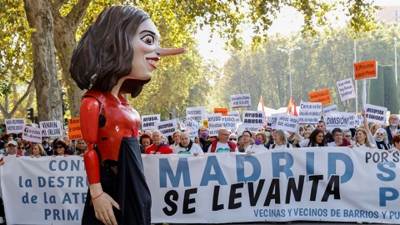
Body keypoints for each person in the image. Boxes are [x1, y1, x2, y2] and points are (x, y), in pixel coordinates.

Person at [70, 5, 184, 225]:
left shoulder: (123, 101)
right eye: (149, 41)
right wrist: (97, 194)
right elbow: (90, 149)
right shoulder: (93, 102)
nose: (158, 53)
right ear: (117, 42)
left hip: (134, 186)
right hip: (111, 186)